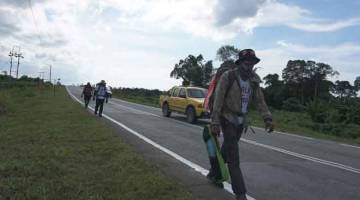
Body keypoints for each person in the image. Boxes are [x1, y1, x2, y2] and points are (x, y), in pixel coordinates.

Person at [210, 49, 274, 200]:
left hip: (241, 122)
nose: (249, 65)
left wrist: (267, 118)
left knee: (226, 150)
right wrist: (215, 121)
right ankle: (240, 194)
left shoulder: (254, 80)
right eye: (246, 62)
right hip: (227, 118)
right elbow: (218, 99)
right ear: (240, 63)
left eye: (252, 62)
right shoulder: (229, 76)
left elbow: (260, 101)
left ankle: (214, 173)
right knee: (234, 158)